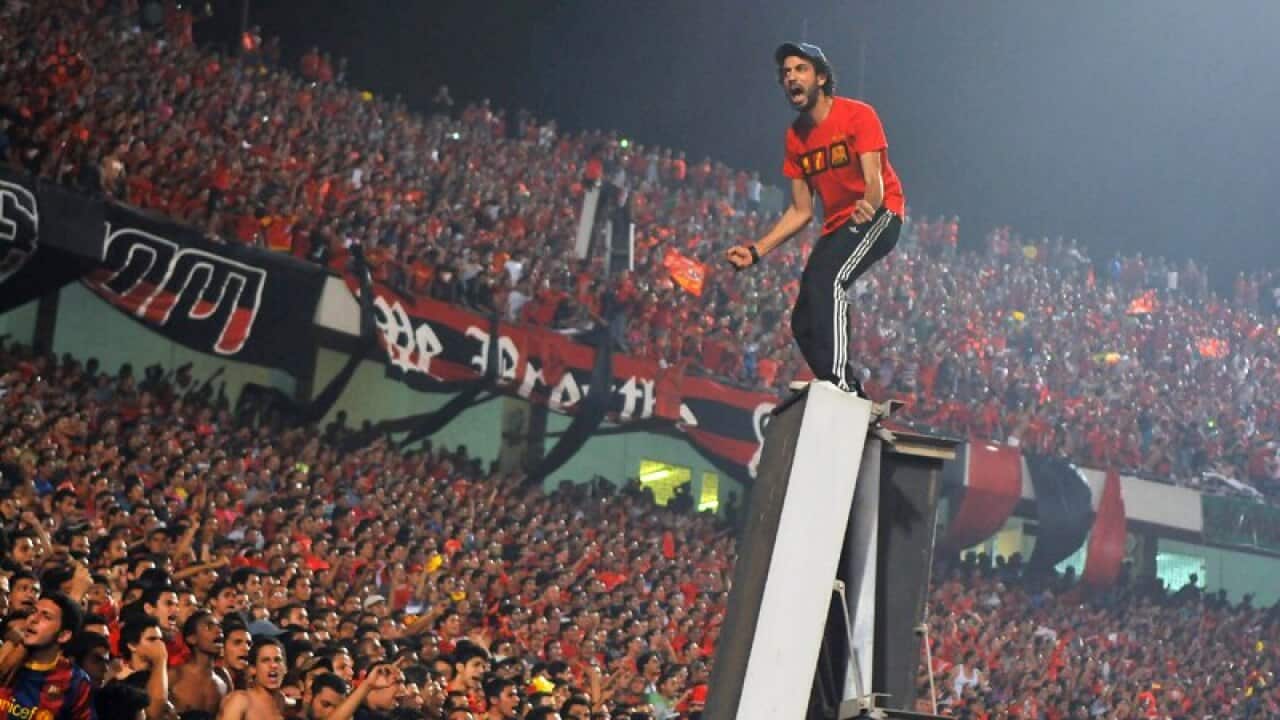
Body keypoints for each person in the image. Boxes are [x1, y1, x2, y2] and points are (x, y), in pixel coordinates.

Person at [726, 42, 906, 397]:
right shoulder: (795, 138)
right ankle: (845, 386)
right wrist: (756, 250)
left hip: (880, 213)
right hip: (838, 224)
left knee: (829, 280)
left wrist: (867, 208)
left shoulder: (858, 115)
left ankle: (840, 385)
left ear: (821, 77)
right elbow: (800, 210)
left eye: (800, 69)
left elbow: (875, 181)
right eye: (786, 73)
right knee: (803, 319)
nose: (790, 76)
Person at [0, 593, 95, 720]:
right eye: (33, 612)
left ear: (63, 635)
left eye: (46, 617)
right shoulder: (7, 660)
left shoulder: (75, 680)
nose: (33, 619)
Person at [169, 611, 230, 717]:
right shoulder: (174, 675)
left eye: (219, 626)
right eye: (209, 627)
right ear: (192, 638)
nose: (219, 631)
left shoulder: (223, 677)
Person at [217, 638, 287, 720]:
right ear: (253, 669)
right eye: (265, 660)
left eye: (277, 660)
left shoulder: (282, 701)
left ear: (285, 668)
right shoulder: (240, 701)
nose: (273, 665)